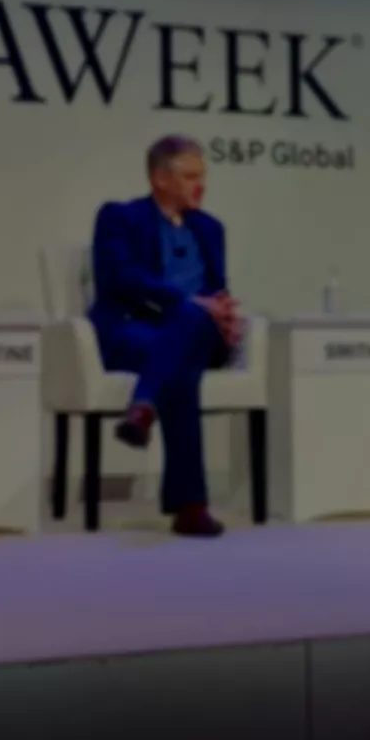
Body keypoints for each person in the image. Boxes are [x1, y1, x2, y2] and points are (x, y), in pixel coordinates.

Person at [91, 135, 242, 538]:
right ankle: (190, 507)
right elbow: (121, 277)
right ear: (160, 178)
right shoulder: (119, 217)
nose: (201, 185)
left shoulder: (210, 228)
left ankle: (143, 405)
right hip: (135, 329)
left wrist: (224, 309)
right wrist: (188, 302)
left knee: (191, 325)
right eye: (190, 176)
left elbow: (217, 287)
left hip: (198, 333)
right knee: (181, 366)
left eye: (202, 176)